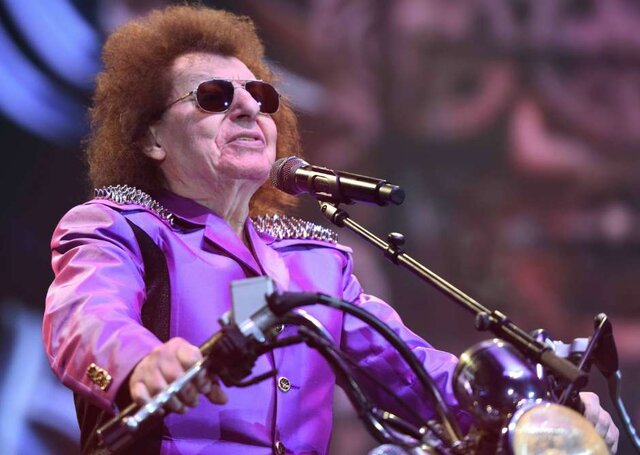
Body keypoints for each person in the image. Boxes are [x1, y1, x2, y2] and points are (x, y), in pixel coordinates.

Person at [42, 4, 619, 454]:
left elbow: (417, 373)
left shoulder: (316, 261)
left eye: (261, 96)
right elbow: (84, 319)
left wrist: (540, 411)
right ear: (151, 138)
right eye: (214, 97)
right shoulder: (118, 227)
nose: (248, 109)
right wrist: (139, 362)